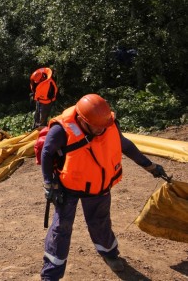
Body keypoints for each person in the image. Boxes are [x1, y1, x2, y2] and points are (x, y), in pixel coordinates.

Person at [40, 94, 169, 280]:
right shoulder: (61, 130)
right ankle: (51, 274)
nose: (100, 129)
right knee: (62, 228)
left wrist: (150, 166)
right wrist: (48, 183)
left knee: (100, 221)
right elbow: (47, 153)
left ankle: (109, 253)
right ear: (82, 120)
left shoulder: (107, 124)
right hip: (69, 186)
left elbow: (125, 145)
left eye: (103, 126)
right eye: (95, 126)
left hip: (97, 186)